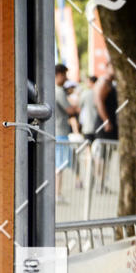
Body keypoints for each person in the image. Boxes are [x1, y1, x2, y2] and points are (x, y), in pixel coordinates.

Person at [54, 63, 78, 203]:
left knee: (57, 164)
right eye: (65, 75)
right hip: (60, 132)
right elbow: (70, 110)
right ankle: (57, 194)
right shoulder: (58, 91)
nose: (66, 78)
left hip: (57, 131)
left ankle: (57, 193)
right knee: (60, 165)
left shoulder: (55, 90)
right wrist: (75, 106)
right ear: (59, 74)